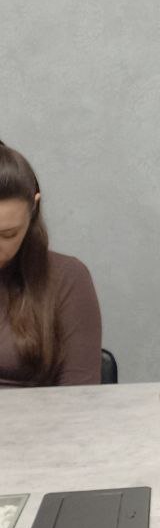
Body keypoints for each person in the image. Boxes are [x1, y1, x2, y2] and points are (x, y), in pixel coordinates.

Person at [0, 141, 102, 386]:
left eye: (8, 234)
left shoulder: (66, 278)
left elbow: (79, 394)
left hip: (41, 412)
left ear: (33, 209)